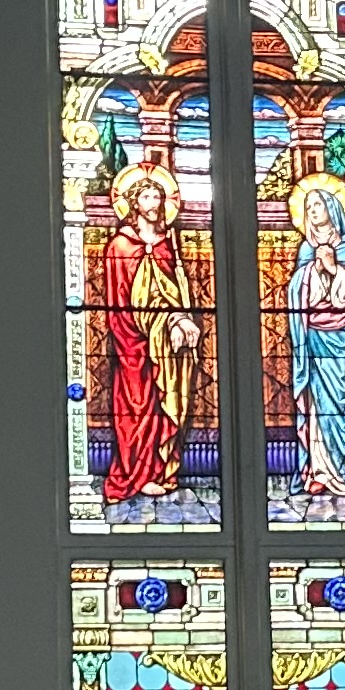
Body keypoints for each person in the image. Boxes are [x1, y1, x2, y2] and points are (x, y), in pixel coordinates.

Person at [90, 166, 208, 507]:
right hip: (134, 342)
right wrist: (158, 325)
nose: (153, 201)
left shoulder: (168, 241)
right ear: (133, 202)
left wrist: (181, 318)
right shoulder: (121, 245)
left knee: (167, 402)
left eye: (157, 195)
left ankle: (161, 470)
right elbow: (120, 298)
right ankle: (135, 473)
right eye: (145, 195)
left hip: (169, 344)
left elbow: (179, 288)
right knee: (138, 407)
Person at [285, 173, 345, 511]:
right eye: (308, 205)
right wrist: (312, 270)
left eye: (318, 204)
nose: (312, 210)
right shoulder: (305, 249)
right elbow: (297, 291)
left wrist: (336, 269)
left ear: (333, 208)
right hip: (316, 340)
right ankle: (321, 469)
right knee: (318, 408)